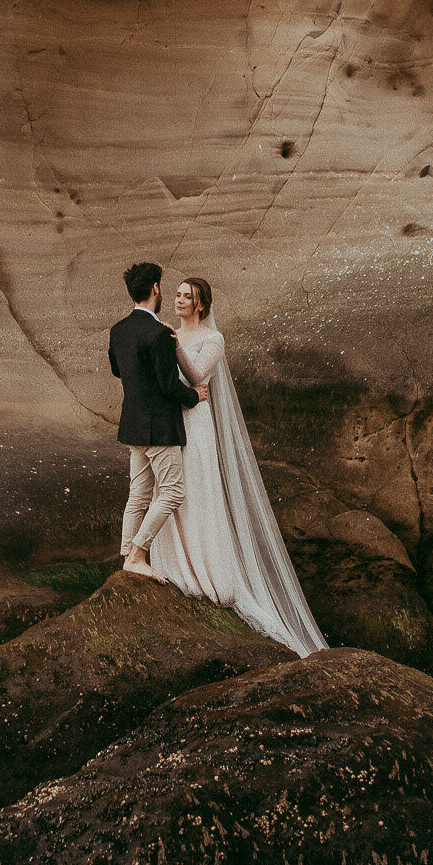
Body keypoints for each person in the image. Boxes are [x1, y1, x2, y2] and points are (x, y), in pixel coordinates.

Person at [149, 277, 329, 657]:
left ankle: (206, 573)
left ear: (200, 305)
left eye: (187, 297)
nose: (178, 300)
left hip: (196, 425)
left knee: (197, 489)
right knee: (170, 491)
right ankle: (174, 565)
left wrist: (176, 345)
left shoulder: (213, 340)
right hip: (170, 420)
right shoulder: (164, 332)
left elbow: (198, 377)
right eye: (177, 294)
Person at [108, 261, 201, 580]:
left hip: (132, 425)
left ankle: (125, 557)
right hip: (159, 428)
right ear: (156, 289)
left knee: (139, 494)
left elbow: (118, 370)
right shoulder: (159, 333)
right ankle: (137, 555)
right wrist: (196, 396)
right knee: (173, 492)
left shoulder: (118, 330)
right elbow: (169, 385)